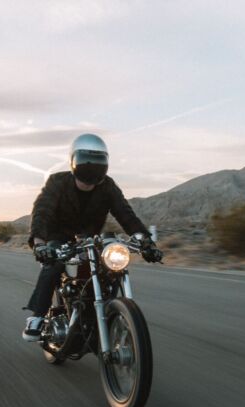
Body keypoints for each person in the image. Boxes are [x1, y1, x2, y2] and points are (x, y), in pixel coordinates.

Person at [23, 133, 162, 341]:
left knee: (112, 268)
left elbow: (126, 214)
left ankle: (108, 311)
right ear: (74, 162)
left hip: (90, 239)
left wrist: (145, 241)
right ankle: (38, 317)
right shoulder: (57, 182)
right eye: (87, 162)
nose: (91, 169)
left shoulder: (107, 186)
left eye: (97, 163)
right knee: (53, 265)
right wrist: (40, 243)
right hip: (59, 237)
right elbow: (43, 210)